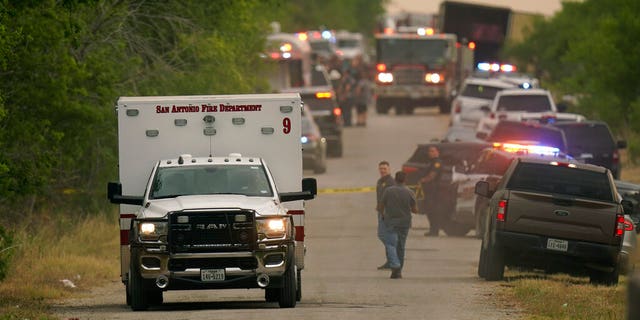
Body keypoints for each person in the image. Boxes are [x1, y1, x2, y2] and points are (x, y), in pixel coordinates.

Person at [378, 171, 418, 279]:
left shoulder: (388, 191)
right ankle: (398, 272)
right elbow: (415, 210)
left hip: (390, 222)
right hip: (404, 223)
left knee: (391, 244)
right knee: (401, 246)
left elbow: (380, 206)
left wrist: (383, 215)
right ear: (405, 180)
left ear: (395, 179)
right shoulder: (410, 192)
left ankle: (395, 265)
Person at [420, 145, 444, 237]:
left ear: (437, 152)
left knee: (432, 210)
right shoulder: (431, 162)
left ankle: (434, 230)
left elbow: (432, 175)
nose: (430, 153)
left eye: (432, 151)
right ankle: (433, 229)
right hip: (429, 190)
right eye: (429, 151)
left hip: (434, 190)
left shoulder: (437, 163)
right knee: (429, 210)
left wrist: (423, 180)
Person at [376, 160, 395, 270]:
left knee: (384, 236)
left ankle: (393, 259)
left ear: (389, 169)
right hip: (381, 212)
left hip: (387, 213)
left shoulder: (391, 182)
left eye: (384, 169)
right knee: (383, 235)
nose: (382, 171)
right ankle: (390, 260)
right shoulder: (380, 181)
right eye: (381, 169)